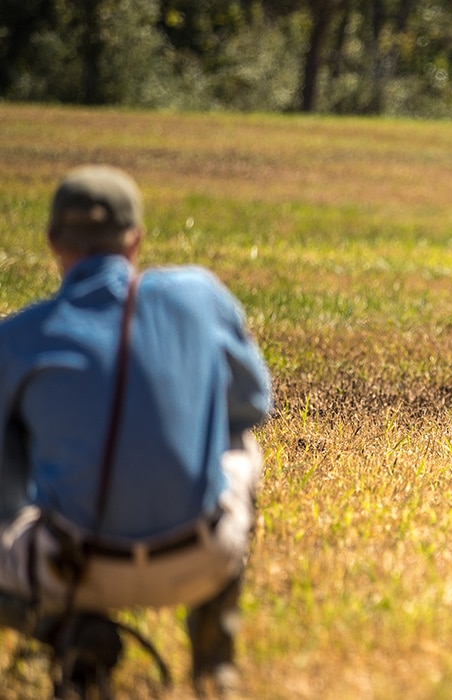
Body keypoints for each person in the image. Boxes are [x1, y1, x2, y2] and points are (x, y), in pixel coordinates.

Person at [0, 165, 272, 696]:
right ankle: (214, 657)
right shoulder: (199, 294)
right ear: (136, 239)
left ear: (53, 241)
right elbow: (253, 404)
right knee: (242, 447)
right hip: (202, 556)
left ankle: (71, 631)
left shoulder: (17, 338)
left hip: (69, 568)